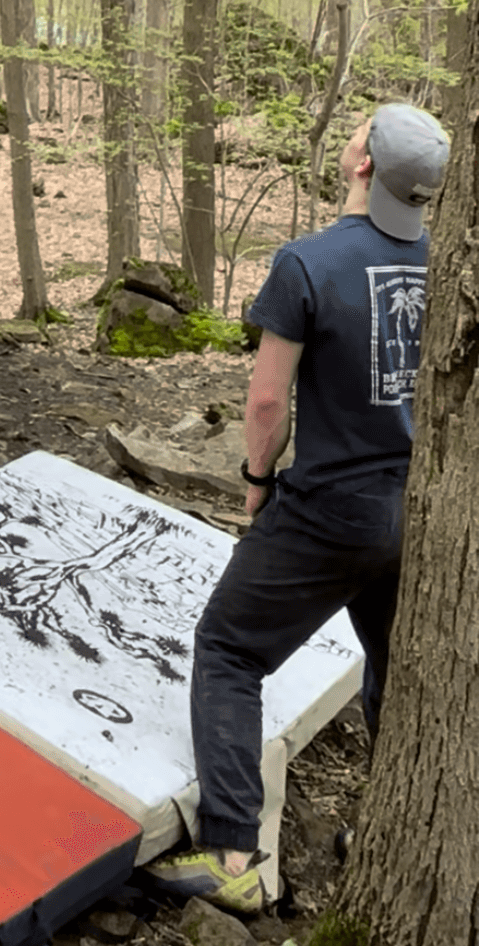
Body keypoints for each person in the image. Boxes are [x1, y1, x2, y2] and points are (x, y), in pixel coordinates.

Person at [145, 100, 451, 918]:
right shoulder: (446, 264)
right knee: (392, 668)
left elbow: (266, 402)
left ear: (360, 165)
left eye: (356, 132)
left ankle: (235, 855)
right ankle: (384, 826)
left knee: (227, 649)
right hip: (415, 511)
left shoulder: (306, 263)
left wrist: (255, 480)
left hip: (329, 507)